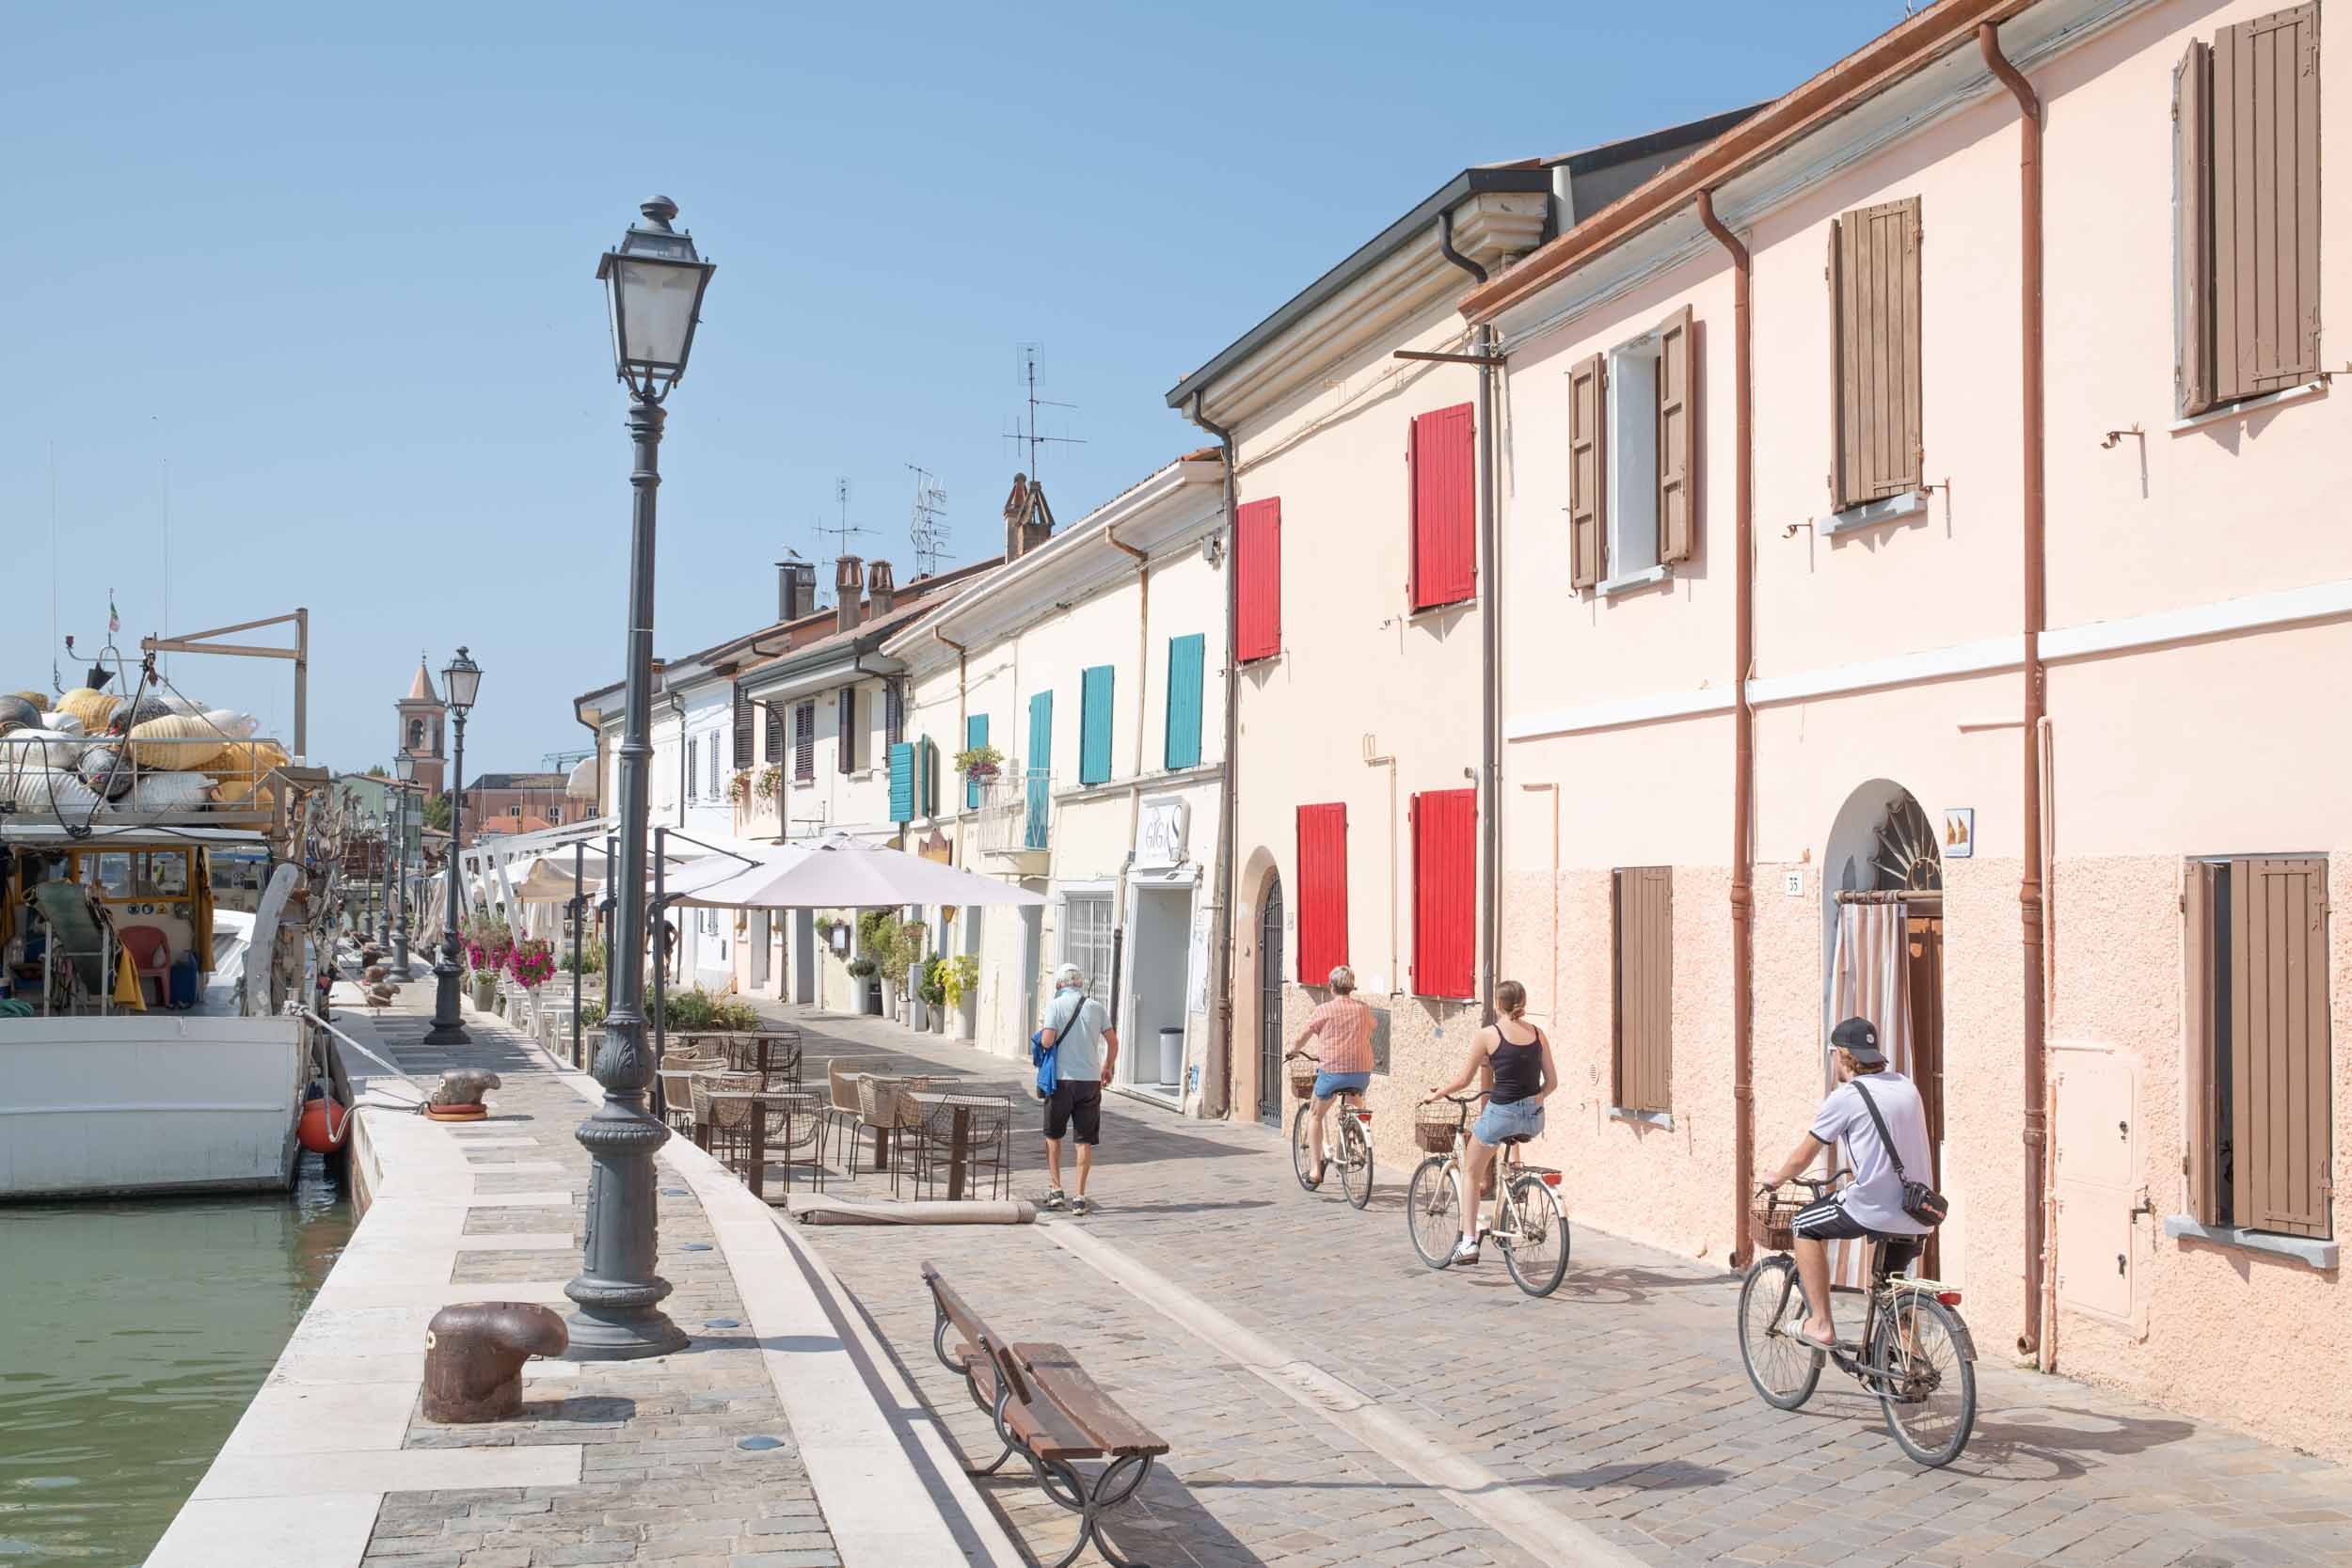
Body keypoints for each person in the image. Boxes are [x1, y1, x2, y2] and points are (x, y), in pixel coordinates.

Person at [1762, 1016, 1936, 1352]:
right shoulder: (1906, 1086)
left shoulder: (1846, 1096)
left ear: (1841, 1055)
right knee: (1891, 1288)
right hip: (1917, 1210)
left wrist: (1777, 1177)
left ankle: (1821, 1324)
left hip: (1873, 1206)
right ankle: (1912, 1362)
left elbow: (1803, 1156)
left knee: (1803, 1224)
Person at [1422, 980, 1556, 1266]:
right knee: (1501, 1153)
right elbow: (1552, 1083)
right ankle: (1510, 1191)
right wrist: (1537, 1098)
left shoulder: (1487, 1035)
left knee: (1471, 1172)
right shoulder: (1538, 1034)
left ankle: (1469, 1242)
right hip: (1534, 1119)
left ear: (1497, 1003)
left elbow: (1464, 1081)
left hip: (1501, 1115)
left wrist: (1437, 1095)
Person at [1038, 961, 1118, 1216]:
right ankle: (1080, 1197)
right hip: (1089, 1081)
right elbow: (1113, 1042)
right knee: (1084, 1140)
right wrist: (1107, 1067)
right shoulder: (1096, 1007)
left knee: (1053, 1136)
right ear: (1081, 984)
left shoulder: (1055, 1005)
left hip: (1061, 1081)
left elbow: (1048, 1040)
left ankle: (1057, 1190)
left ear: (1060, 985)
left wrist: (1039, 1038)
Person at [1290, 964, 1374, 1187]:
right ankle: (1356, 1138)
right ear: (1351, 987)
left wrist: (1293, 1051)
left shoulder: (1323, 1010)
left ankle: (1316, 1170)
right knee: (1355, 1103)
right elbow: (1371, 1028)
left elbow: (1303, 1036)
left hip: (1333, 1072)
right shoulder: (1364, 1009)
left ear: (1331, 987)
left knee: (1316, 1114)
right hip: (1361, 1073)